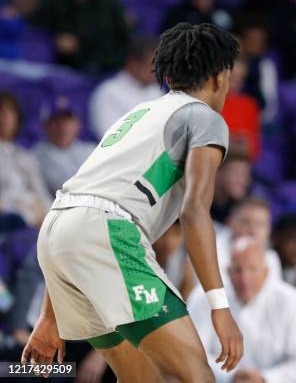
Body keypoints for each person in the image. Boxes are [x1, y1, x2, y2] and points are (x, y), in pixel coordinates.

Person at [22, 23, 244, 382]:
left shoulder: (137, 115)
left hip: (57, 231)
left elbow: (80, 202)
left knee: (142, 379)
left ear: (169, 76)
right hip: (106, 235)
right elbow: (194, 211)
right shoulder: (206, 118)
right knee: (196, 377)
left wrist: (51, 316)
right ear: (221, 77)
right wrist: (220, 306)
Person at [189, 236, 296, 383]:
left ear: (266, 272)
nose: (245, 278)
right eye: (238, 270)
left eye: (252, 269)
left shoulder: (293, 301)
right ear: (228, 272)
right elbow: (192, 353)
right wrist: (231, 376)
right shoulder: (204, 298)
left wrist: (265, 378)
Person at [27, 0, 130, 73]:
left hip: (104, 66)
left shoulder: (108, 3)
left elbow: (123, 39)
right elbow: (35, 26)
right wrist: (56, 39)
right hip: (64, 67)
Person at [89, 36, 164, 139]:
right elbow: (111, 139)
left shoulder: (156, 91)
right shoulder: (108, 92)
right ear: (133, 63)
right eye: (153, 65)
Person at [0, 92, 51, 227]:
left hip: (28, 218)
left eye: (10, 112)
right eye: (1, 111)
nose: (5, 117)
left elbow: (42, 194)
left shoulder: (26, 156)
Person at [33, 96, 96, 197]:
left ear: (78, 124)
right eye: (56, 120)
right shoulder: (36, 156)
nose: (62, 127)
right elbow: (63, 188)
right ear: (45, 126)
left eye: (67, 120)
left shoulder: (91, 150)